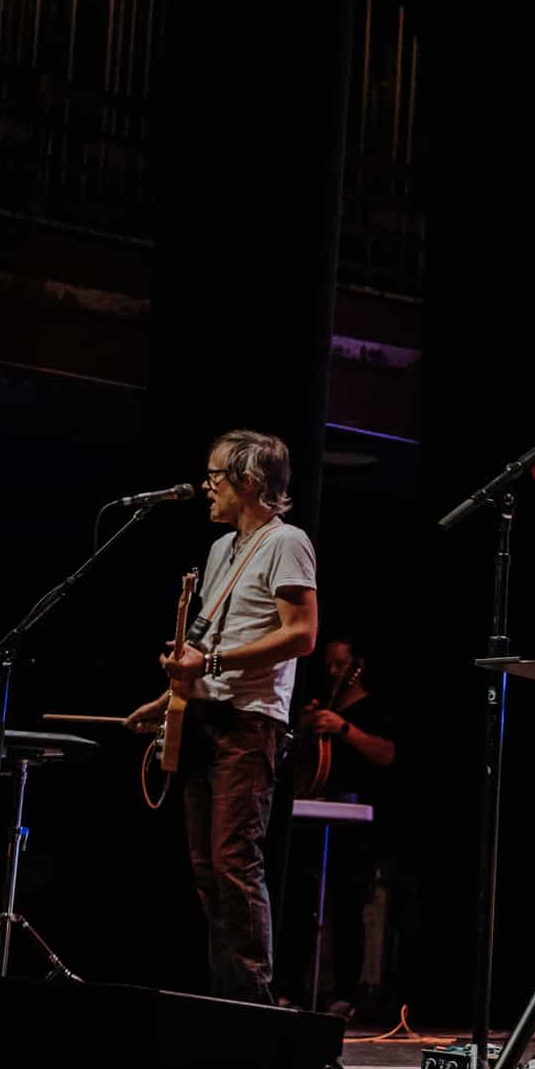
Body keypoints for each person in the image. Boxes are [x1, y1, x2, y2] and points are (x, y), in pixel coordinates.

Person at [127, 430, 319, 1004]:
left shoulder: (287, 542)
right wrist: (171, 694)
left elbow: (302, 635)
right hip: (205, 715)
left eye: (215, 475)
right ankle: (223, 1001)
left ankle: (253, 1006)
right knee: (207, 869)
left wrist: (209, 661)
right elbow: (209, 642)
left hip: (249, 722)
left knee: (234, 863)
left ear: (249, 482)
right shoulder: (220, 550)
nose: (206, 486)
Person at [293, 634, 400, 1016]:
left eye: (340, 665)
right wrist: (306, 724)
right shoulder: (324, 706)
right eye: (329, 665)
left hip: (356, 822)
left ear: (357, 668)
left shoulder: (373, 707)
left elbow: (387, 754)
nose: (333, 672)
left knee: (349, 902)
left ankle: (345, 993)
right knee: (304, 901)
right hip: (314, 812)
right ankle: (299, 986)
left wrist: (344, 729)